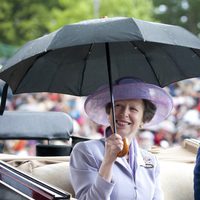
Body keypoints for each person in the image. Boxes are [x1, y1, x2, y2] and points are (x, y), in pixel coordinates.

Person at [69, 78, 173, 200]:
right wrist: (107, 162)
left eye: (133, 109)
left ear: (143, 120)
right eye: (118, 106)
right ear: (109, 114)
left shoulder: (150, 160)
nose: (124, 113)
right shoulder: (86, 151)